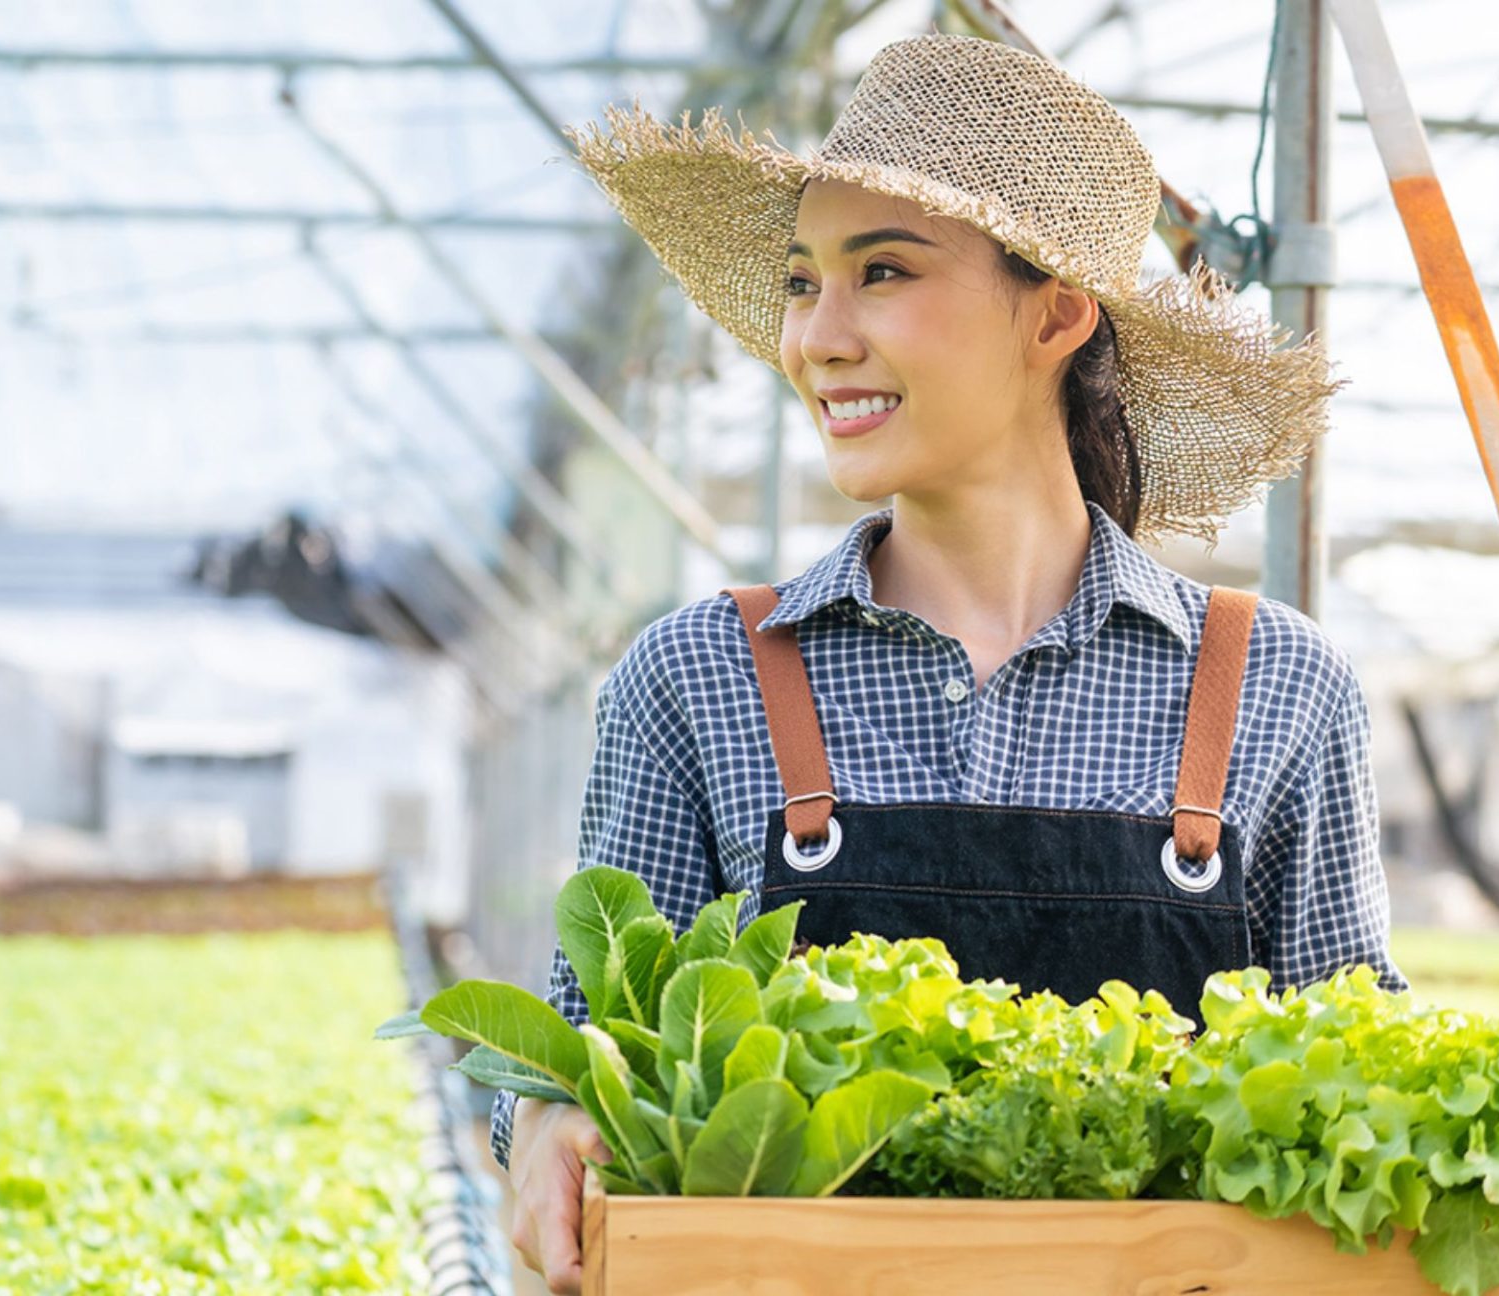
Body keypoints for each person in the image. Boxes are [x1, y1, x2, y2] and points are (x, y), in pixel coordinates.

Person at [494, 32, 1409, 1292]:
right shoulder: (698, 678)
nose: (819, 335)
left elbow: (1365, 1091)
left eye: (882, 271)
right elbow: (577, 1052)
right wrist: (547, 1125)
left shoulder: (1275, 687)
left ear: (1059, 311)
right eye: (803, 280)